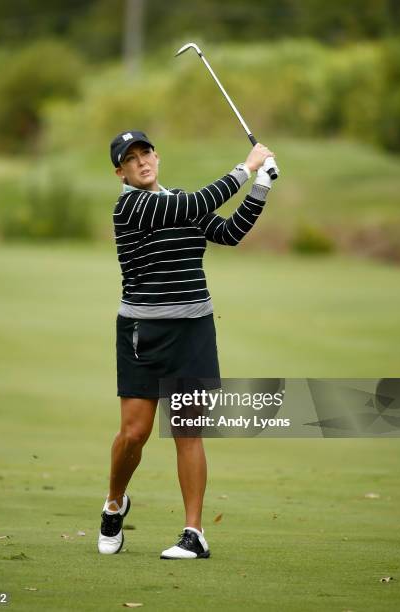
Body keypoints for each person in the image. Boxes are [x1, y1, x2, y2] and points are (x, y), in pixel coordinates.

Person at [98, 130, 275, 559]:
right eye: (131, 159)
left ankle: (193, 534)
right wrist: (246, 168)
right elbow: (192, 205)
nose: (141, 162)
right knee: (133, 434)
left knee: (187, 430)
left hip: (193, 330)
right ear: (120, 172)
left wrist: (262, 187)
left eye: (146, 153)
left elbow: (229, 232)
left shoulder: (178, 199)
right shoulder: (133, 206)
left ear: (157, 156)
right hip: (144, 333)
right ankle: (114, 501)